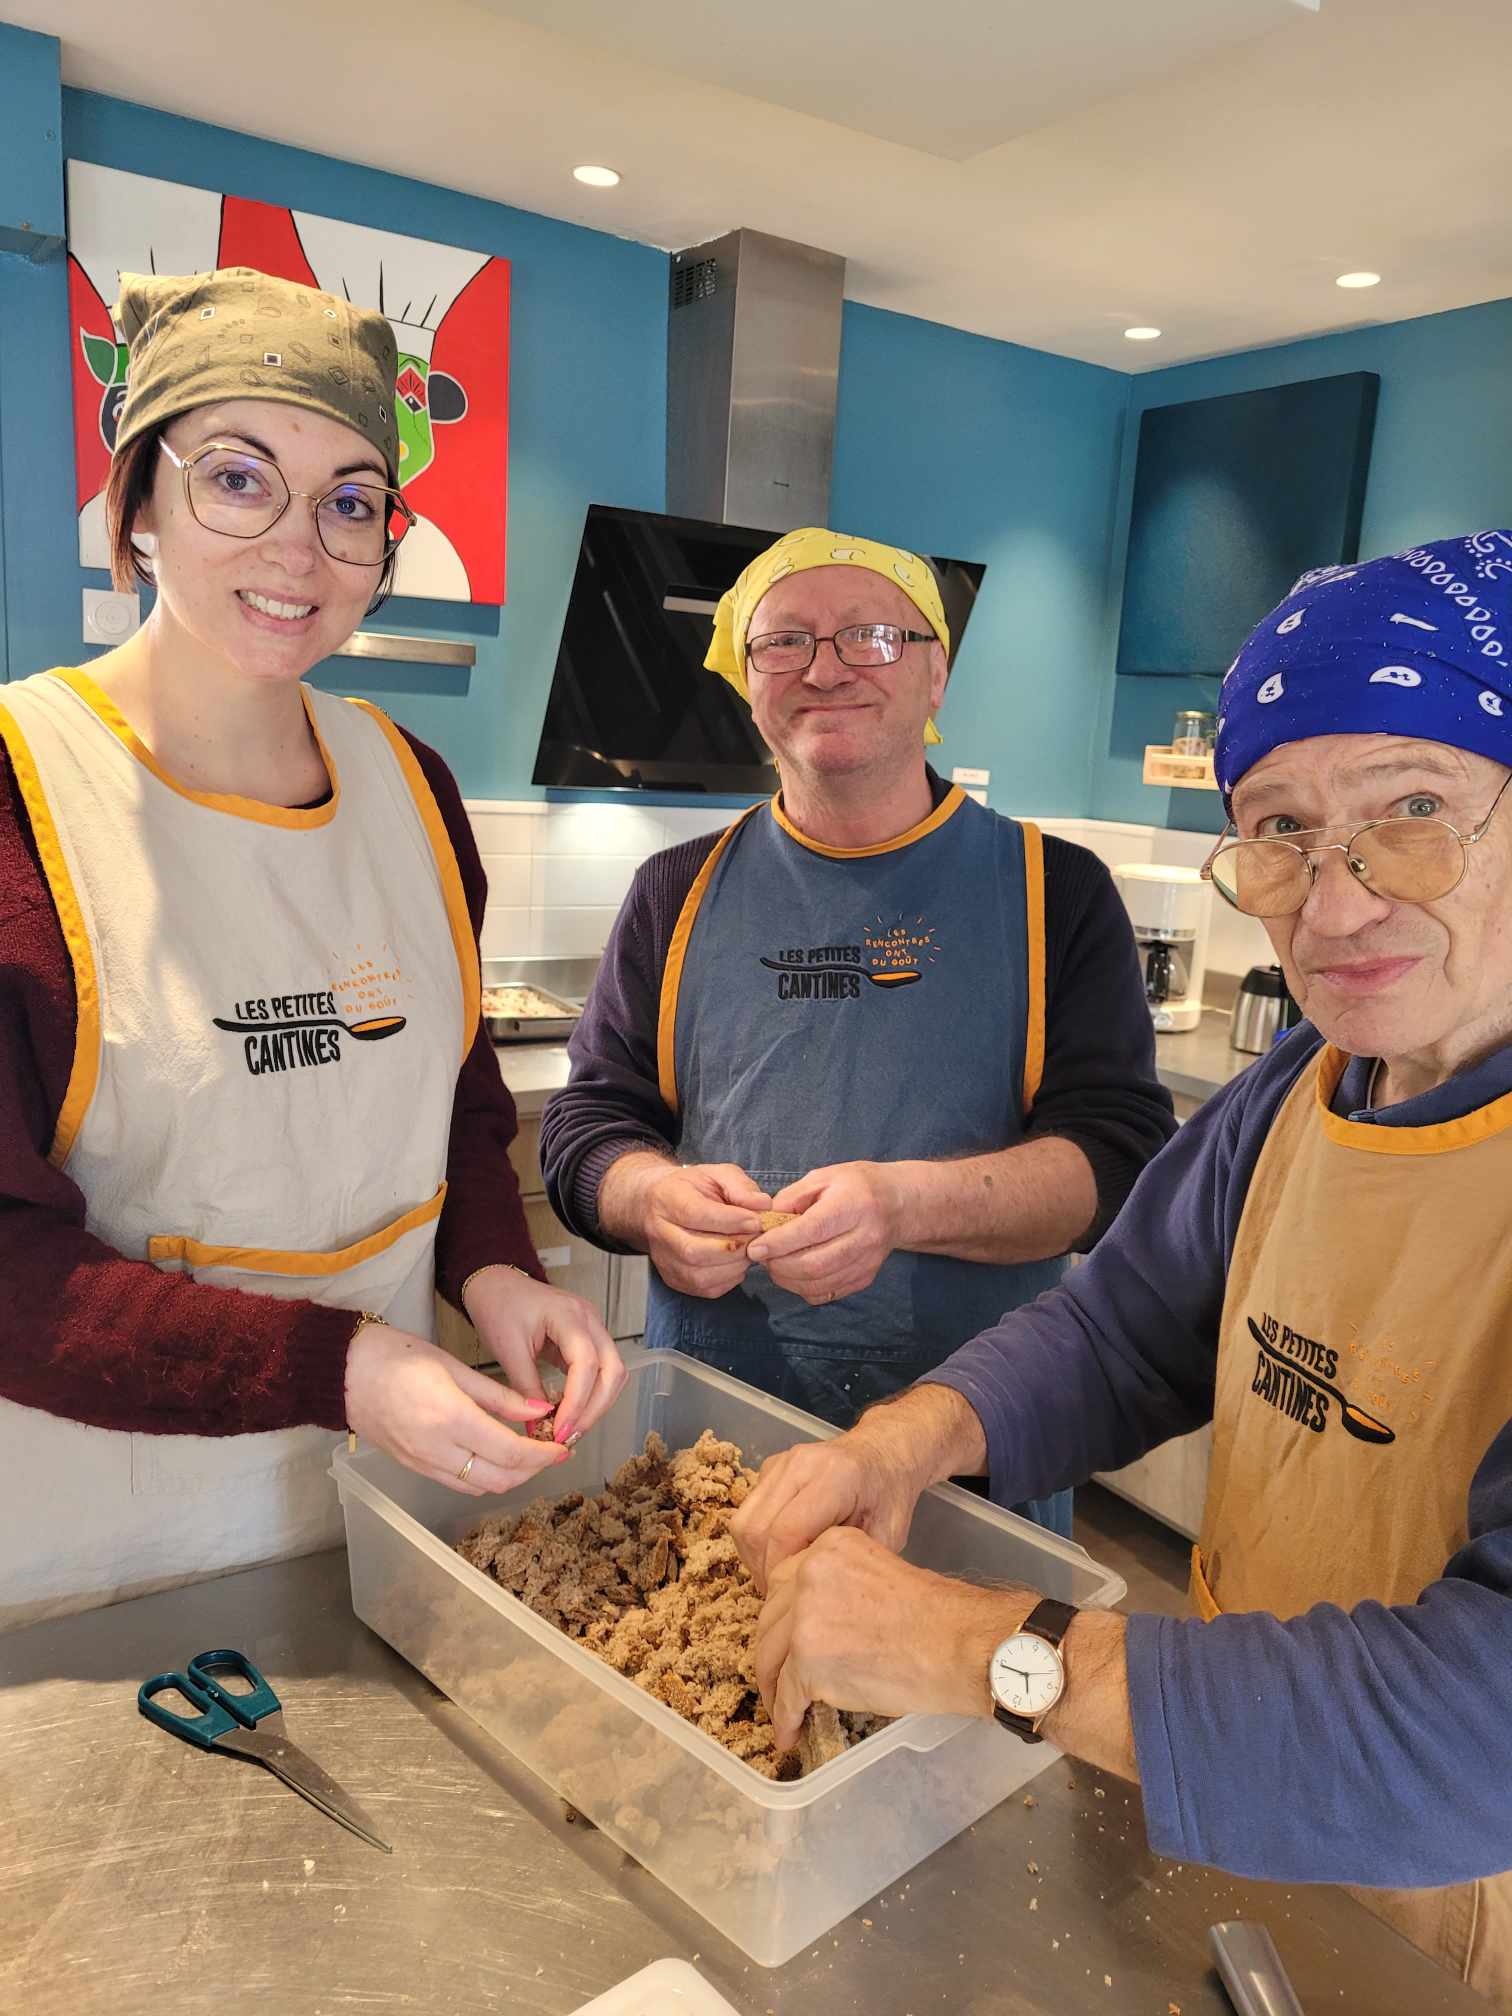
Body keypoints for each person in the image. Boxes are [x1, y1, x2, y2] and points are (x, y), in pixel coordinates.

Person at [732, 531, 1512, 2006]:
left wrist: (989, 1652)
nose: (1331, 905)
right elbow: (1119, 1331)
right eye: (1277, 828)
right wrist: (915, 1437)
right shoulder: (1303, 1085)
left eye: (1414, 811)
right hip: (1239, 1786)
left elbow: (1486, 1723)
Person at [0, 268, 625, 1631]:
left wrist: (497, 1272)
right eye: (238, 477)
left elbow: (452, 1107)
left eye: (353, 501)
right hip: (94, 1566)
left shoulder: (409, 786)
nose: (302, 549)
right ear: (139, 505)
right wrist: (344, 1369)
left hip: (380, 1508)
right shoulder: (20, 796)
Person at [540, 526, 1174, 1536]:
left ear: (936, 674)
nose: (825, 668)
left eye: (872, 635)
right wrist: (650, 1197)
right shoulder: (677, 891)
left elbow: (1120, 1164)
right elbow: (587, 1126)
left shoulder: (1056, 892)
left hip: (966, 1451)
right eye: (783, 640)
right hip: (716, 1453)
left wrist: (900, 1205)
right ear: (748, 684)